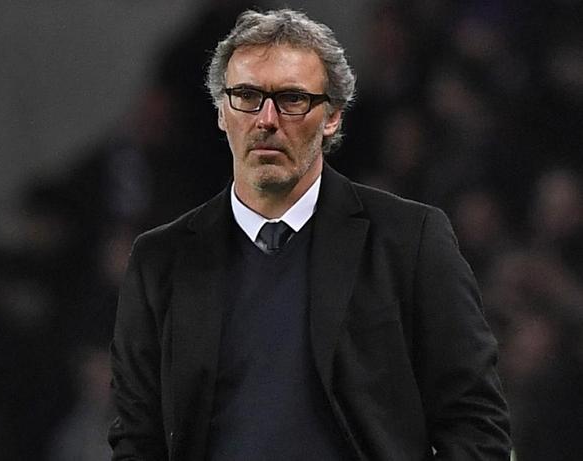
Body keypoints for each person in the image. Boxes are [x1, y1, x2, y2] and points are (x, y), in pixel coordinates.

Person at [109, 9, 511, 460]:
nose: (266, 119)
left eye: (292, 99)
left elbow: (476, 424)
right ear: (222, 112)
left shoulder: (410, 241)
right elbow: (137, 438)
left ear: (332, 117)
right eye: (246, 96)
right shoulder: (160, 261)